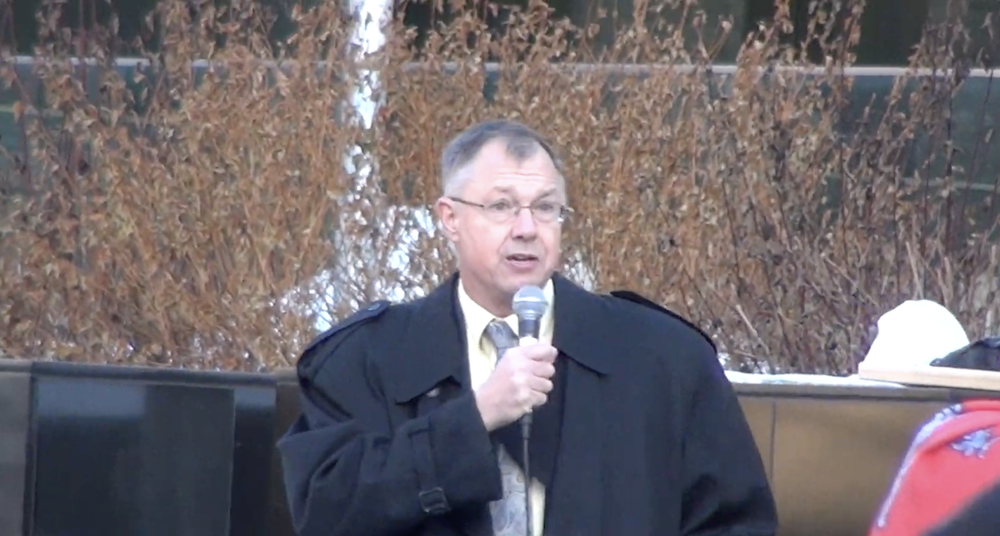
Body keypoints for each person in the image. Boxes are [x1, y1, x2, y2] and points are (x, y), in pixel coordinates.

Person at [277, 119, 778, 536]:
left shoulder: (662, 358)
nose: (526, 228)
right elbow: (326, 513)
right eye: (500, 206)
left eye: (545, 207)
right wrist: (473, 419)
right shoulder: (366, 361)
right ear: (449, 219)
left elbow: (735, 521)